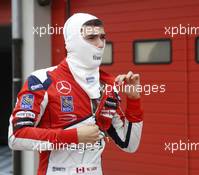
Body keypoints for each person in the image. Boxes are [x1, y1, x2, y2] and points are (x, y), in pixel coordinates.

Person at [8, 13, 143, 175]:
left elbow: (129, 144)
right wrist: (73, 136)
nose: (100, 44)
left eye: (102, 37)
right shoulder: (42, 80)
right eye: (92, 37)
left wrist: (134, 100)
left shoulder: (108, 85)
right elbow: (16, 137)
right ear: (73, 41)